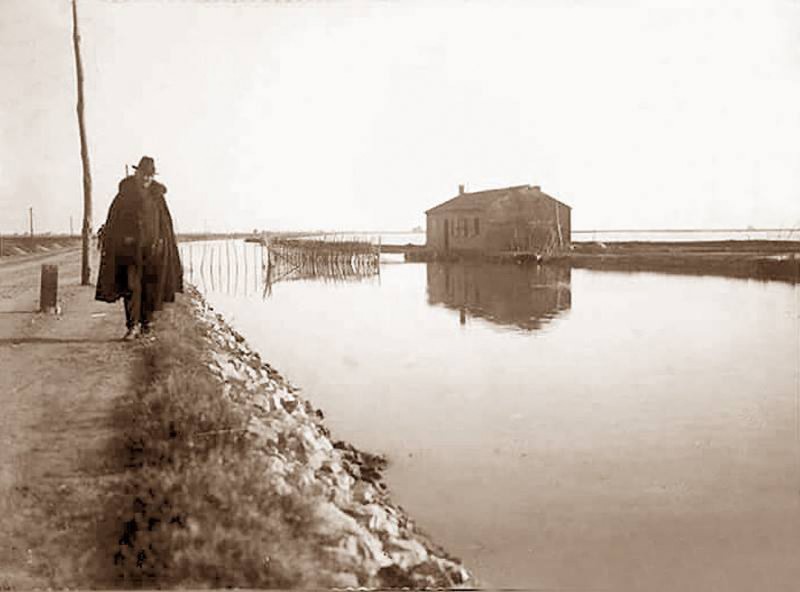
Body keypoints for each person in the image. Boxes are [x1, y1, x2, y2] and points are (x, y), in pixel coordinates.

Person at [95, 156, 183, 339]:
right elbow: (114, 221)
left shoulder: (157, 197)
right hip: (129, 251)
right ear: (137, 173)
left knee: (151, 288)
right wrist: (121, 239)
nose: (146, 178)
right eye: (143, 174)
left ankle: (147, 324)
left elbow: (165, 224)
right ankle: (132, 326)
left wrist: (161, 242)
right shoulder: (124, 195)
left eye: (149, 175)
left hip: (153, 253)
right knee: (131, 288)